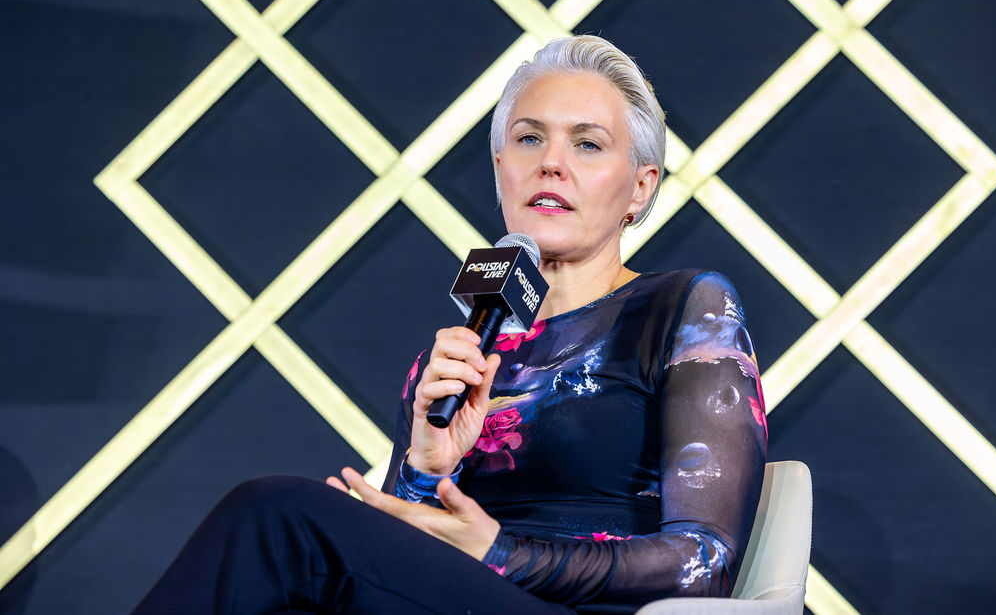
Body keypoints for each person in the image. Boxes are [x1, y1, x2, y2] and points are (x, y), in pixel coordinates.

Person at [132, 35, 767, 614]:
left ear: (640, 188)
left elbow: (704, 563)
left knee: (276, 515)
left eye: (587, 144)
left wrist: (500, 554)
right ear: (500, 167)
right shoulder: (458, 359)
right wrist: (426, 468)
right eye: (529, 139)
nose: (551, 163)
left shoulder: (687, 307)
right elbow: (400, 560)